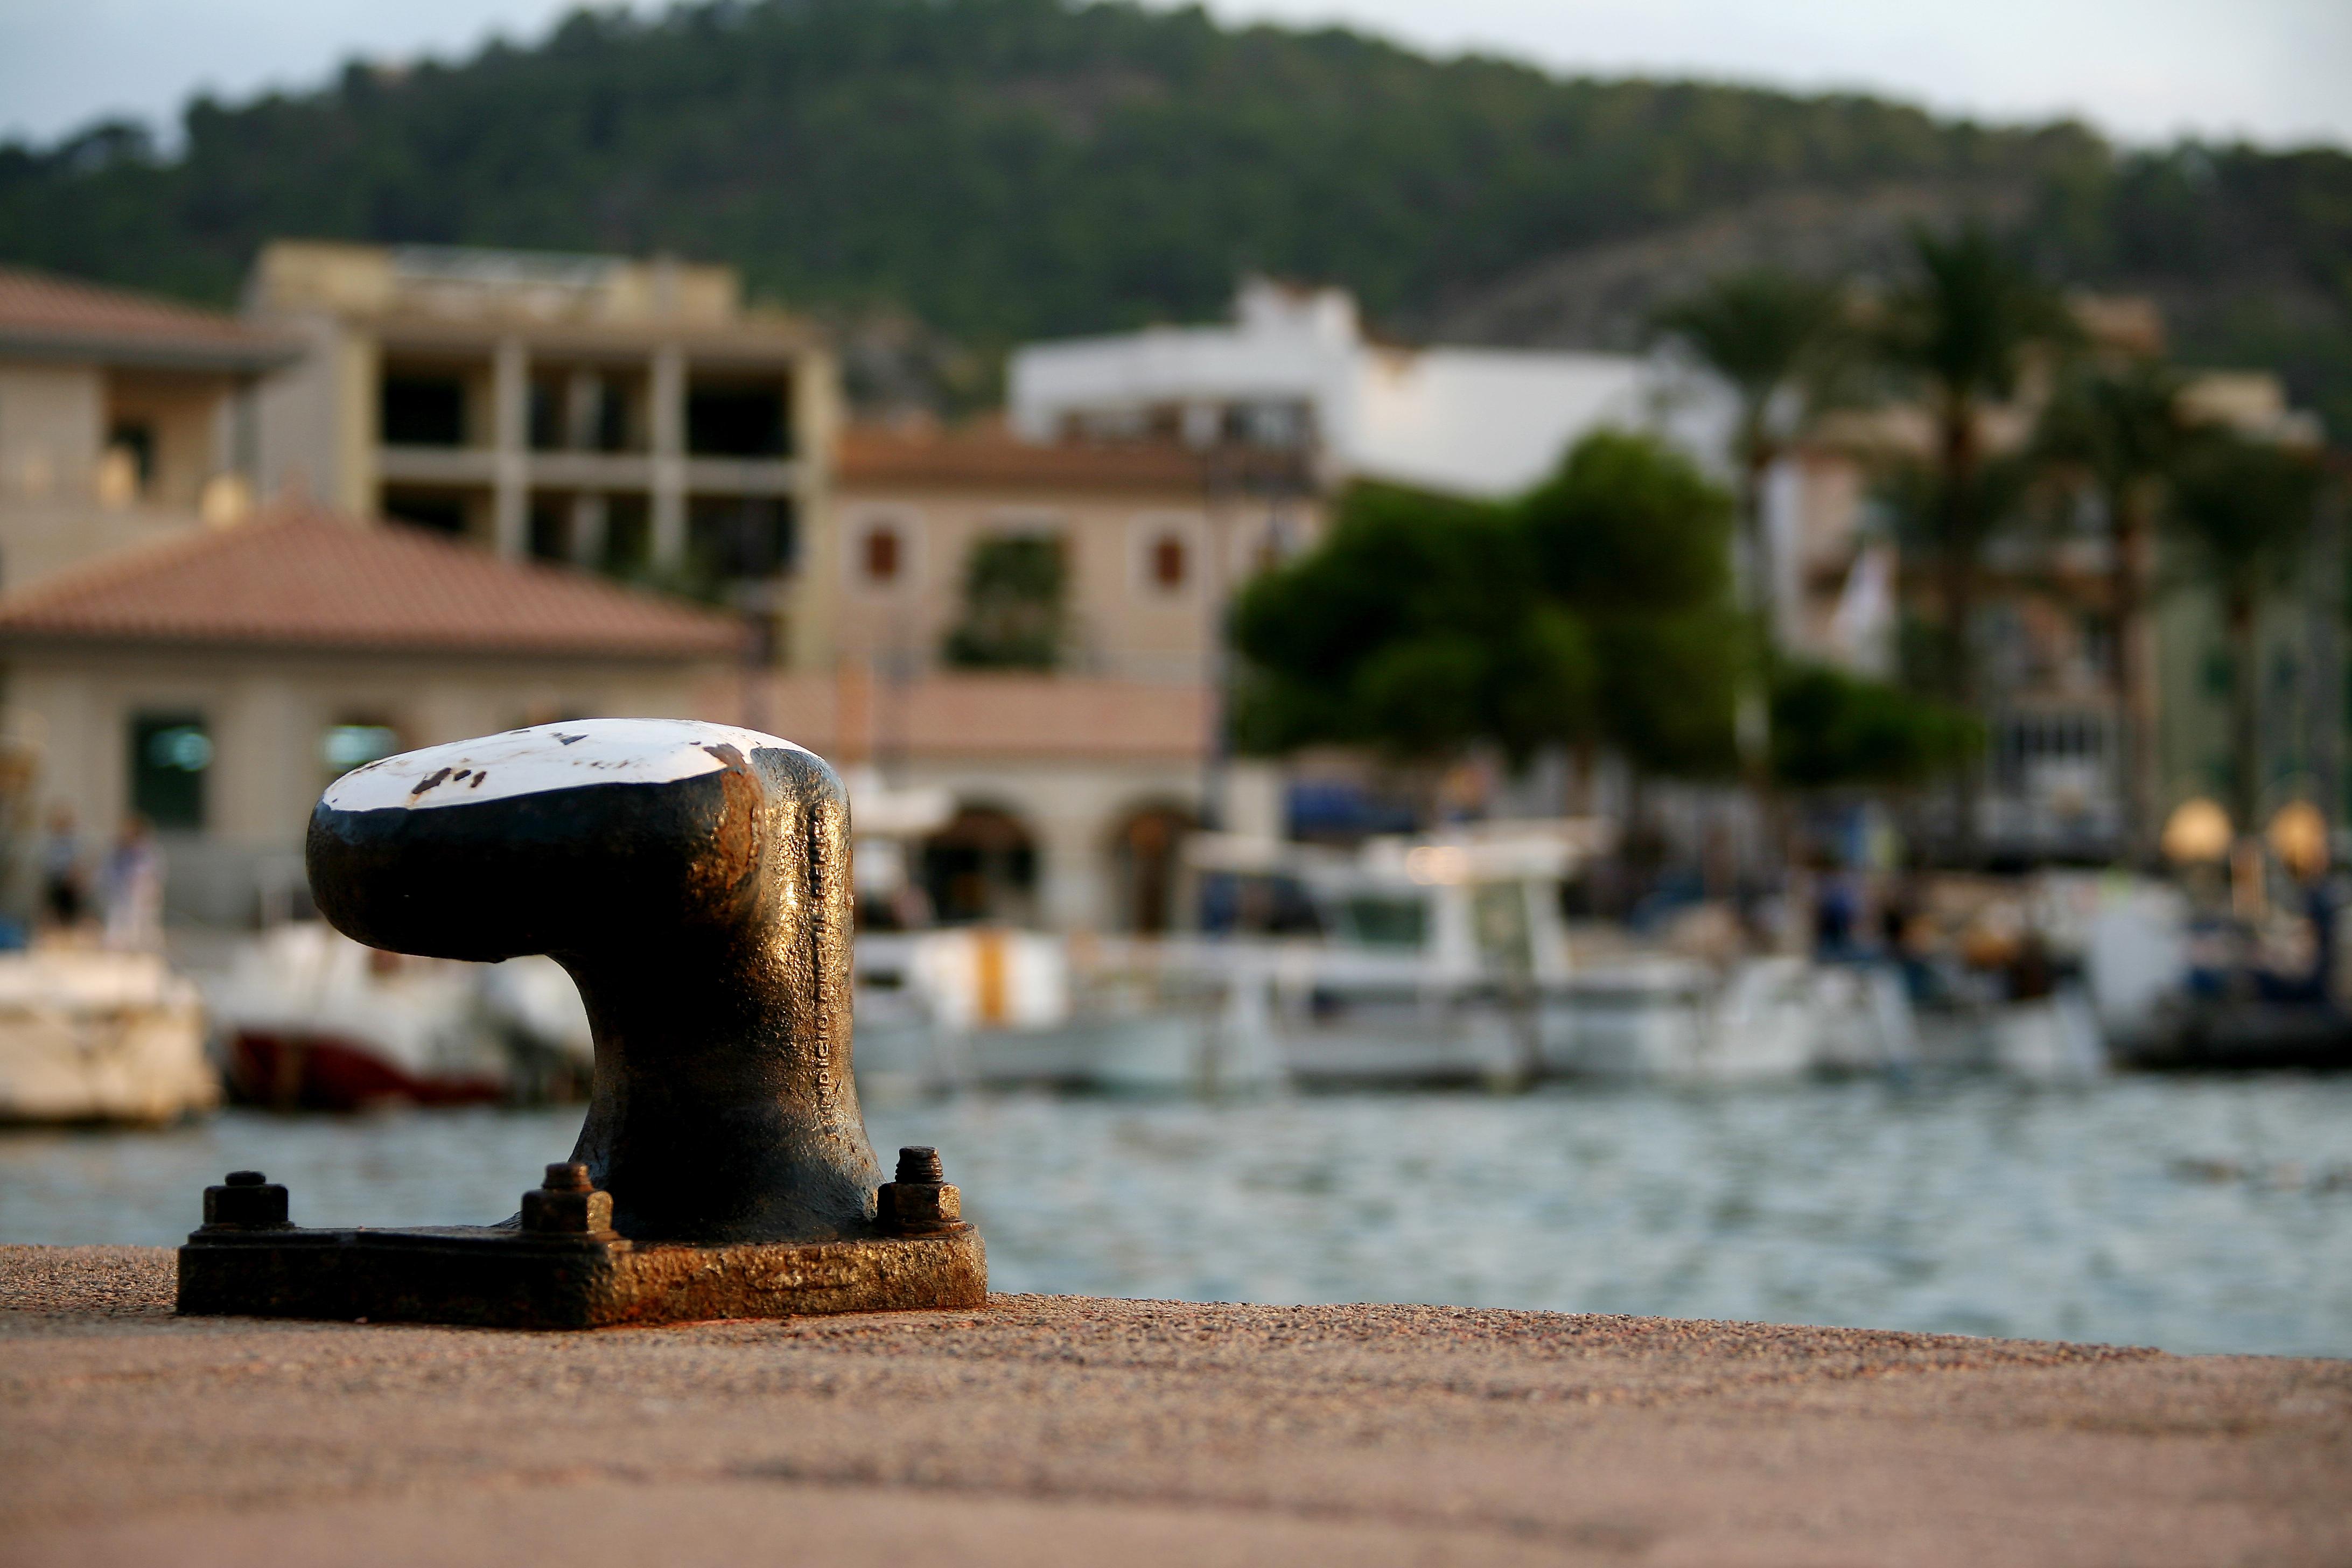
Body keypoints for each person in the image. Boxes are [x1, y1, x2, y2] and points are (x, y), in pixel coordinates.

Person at [100, 816, 164, 953]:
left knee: (142, 923)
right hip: (120, 893)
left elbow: (153, 872)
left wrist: (148, 887)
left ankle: (140, 948)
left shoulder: (147, 851)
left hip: (140, 893)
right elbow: (108, 871)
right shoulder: (117, 851)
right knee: (118, 923)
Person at [38, 806, 85, 930]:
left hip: (68, 883)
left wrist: (74, 877)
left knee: (69, 915)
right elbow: (48, 864)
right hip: (55, 881)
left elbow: (77, 863)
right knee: (54, 914)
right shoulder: (51, 842)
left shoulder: (73, 842)